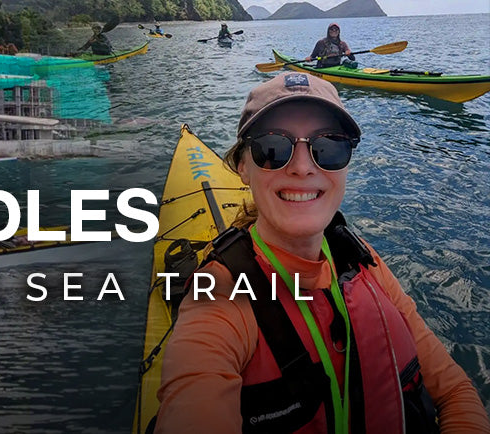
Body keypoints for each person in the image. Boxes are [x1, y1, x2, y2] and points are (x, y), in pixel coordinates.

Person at [155, 73, 490, 433]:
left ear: (346, 163)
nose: (302, 167)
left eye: (329, 146)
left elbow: (454, 392)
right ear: (242, 167)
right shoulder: (219, 299)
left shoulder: (363, 261)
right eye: (272, 147)